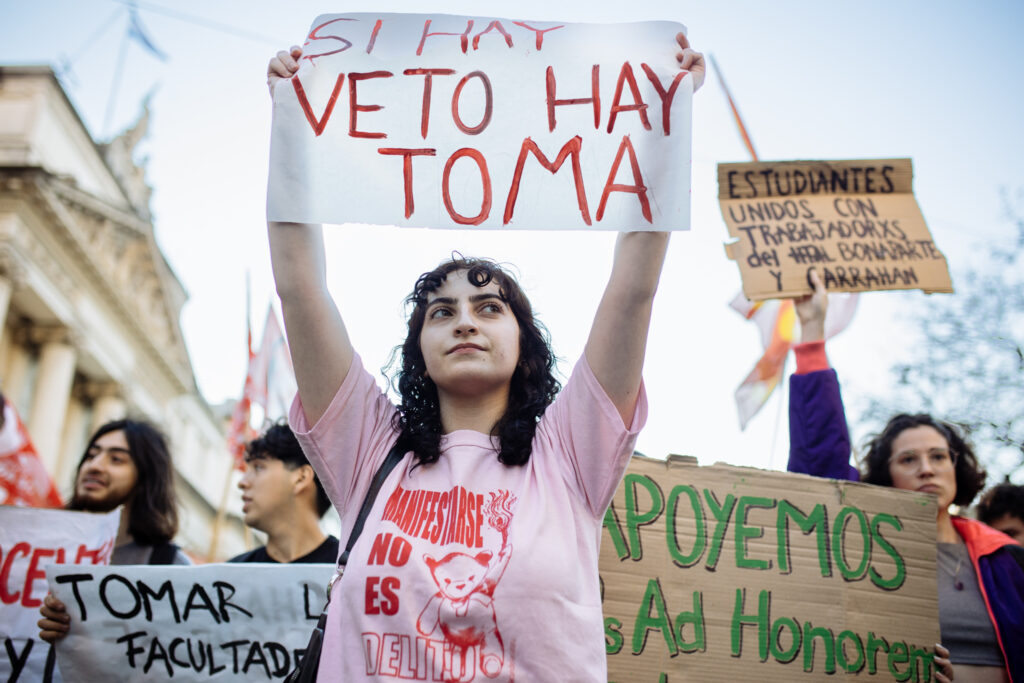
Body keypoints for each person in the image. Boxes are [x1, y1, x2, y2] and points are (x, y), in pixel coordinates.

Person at [265, 33, 703, 682]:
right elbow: (300, 289)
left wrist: (667, 126)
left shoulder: (571, 453)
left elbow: (633, 289)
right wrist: (290, 122)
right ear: (418, 349)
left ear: (524, 339)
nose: (464, 320)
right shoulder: (366, 448)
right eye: (440, 312)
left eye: (488, 307)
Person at [788, 270, 1022, 682]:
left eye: (937, 456)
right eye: (908, 460)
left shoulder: (1008, 558)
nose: (926, 468)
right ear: (886, 475)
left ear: (957, 467)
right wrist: (812, 332)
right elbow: (819, 465)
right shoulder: (867, 549)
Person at [38, 419, 189, 643]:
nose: (95, 466)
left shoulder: (171, 567)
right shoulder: (32, 546)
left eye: (116, 459)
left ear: (145, 477)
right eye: (91, 456)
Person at [229, 421, 340, 563]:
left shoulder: (350, 572)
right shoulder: (229, 578)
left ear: (301, 478)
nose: (242, 483)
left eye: (258, 467)